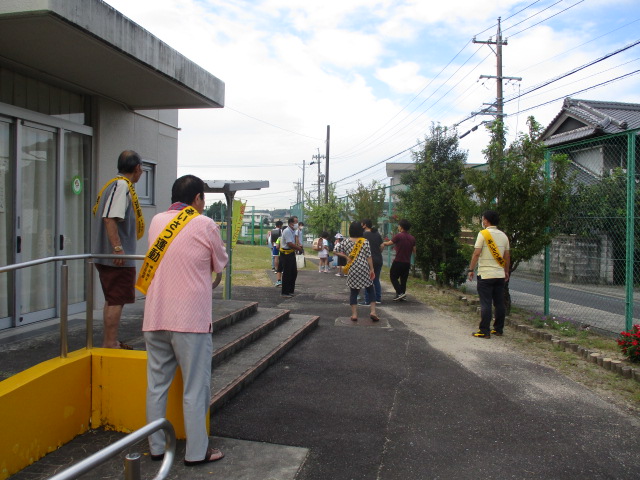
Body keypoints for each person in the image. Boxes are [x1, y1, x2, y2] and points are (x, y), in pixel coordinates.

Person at [141, 175, 228, 466]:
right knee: (194, 389)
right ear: (198, 199)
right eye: (203, 199)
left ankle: (155, 448)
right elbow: (220, 261)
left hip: (155, 316)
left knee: (156, 386)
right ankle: (196, 452)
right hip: (191, 320)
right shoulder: (205, 223)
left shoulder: (156, 222)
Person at [92, 150, 144, 349]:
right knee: (116, 300)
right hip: (115, 258)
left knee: (112, 298)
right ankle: (110, 342)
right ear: (137, 168)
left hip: (108, 256)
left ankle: (110, 340)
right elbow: (109, 218)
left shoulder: (113, 185)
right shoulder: (122, 186)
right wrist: (117, 249)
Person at [467, 210, 510, 339]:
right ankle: (498, 329)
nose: (482, 221)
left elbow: (476, 253)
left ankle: (484, 330)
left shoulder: (483, 234)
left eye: (483, 219)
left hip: (486, 274)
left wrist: (470, 269)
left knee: (486, 303)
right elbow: (507, 256)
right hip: (499, 275)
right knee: (499, 303)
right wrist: (506, 271)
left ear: (486, 220)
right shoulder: (504, 236)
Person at [334, 222, 379, 322]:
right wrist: (372, 269)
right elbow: (369, 256)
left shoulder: (345, 242)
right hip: (364, 268)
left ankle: (354, 314)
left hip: (352, 268)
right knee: (370, 289)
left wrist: (346, 256)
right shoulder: (365, 241)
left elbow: (335, 250)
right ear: (360, 230)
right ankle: (373, 311)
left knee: (354, 292)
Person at [381, 219, 416, 301]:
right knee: (403, 280)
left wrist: (382, 243)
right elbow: (414, 251)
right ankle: (402, 296)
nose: (398, 227)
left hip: (398, 260)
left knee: (393, 276)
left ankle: (400, 293)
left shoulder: (399, 236)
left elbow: (389, 243)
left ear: (401, 227)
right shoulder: (412, 238)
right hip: (407, 262)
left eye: (399, 226)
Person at [361, 219, 383, 304]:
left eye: (361, 224)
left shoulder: (363, 235)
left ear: (365, 225)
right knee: (376, 279)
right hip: (378, 259)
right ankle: (377, 298)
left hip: (368, 260)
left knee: (368, 280)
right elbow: (382, 245)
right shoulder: (377, 234)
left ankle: (368, 300)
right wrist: (378, 252)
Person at [280, 217, 303, 297]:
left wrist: (298, 246)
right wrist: (299, 248)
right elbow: (289, 243)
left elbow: (293, 242)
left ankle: (290, 290)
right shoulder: (287, 231)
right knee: (287, 273)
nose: (297, 224)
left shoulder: (293, 231)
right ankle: (285, 292)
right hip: (286, 254)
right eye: (296, 222)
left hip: (291, 253)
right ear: (290, 223)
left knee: (293, 272)